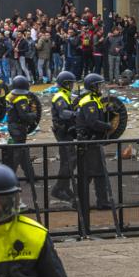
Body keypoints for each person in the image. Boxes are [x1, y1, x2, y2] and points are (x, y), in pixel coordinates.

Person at [75, 73, 111, 209]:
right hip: (89, 141)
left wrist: (108, 111)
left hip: (91, 141)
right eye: (98, 85)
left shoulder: (93, 99)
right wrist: (107, 126)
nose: (101, 87)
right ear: (93, 86)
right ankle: (89, 202)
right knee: (93, 173)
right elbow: (93, 122)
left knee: (93, 173)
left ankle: (95, 201)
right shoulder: (89, 101)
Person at [2, 76, 39, 187]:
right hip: (19, 128)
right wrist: (34, 115)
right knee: (17, 154)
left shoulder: (10, 96)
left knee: (22, 152)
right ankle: (9, 178)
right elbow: (24, 115)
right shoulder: (21, 98)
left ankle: (30, 175)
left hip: (12, 126)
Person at [50, 71, 77, 202]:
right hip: (62, 132)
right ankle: (58, 188)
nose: (72, 85)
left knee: (67, 160)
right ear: (66, 84)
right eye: (71, 83)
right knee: (70, 160)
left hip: (65, 132)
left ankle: (64, 187)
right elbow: (63, 114)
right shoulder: (60, 97)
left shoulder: (65, 95)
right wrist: (77, 114)